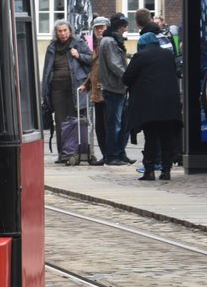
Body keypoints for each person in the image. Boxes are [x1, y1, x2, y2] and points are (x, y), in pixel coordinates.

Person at [123, 31, 182, 181]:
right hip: (169, 103)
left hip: (149, 105)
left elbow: (126, 78)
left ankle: (149, 171)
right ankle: (166, 171)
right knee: (166, 137)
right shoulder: (167, 55)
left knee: (151, 137)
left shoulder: (140, 56)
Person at [41, 19, 92, 162]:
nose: (63, 34)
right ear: (56, 33)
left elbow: (91, 59)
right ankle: (63, 154)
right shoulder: (52, 47)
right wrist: (44, 92)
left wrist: (78, 55)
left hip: (74, 88)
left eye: (65, 30)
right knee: (60, 121)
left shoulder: (78, 43)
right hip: (57, 90)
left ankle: (74, 153)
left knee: (74, 120)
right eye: (60, 31)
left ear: (70, 31)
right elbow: (46, 70)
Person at [98, 13, 131, 165]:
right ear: (119, 26)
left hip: (116, 87)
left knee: (119, 123)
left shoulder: (111, 40)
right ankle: (112, 156)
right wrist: (128, 77)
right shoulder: (110, 41)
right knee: (115, 124)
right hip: (114, 87)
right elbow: (114, 64)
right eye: (124, 26)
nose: (126, 29)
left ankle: (118, 153)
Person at [78, 16, 109, 163]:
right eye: (97, 28)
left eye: (102, 27)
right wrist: (87, 84)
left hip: (107, 90)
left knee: (108, 125)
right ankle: (106, 155)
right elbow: (94, 69)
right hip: (97, 92)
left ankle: (111, 155)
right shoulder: (97, 45)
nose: (100, 30)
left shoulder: (108, 43)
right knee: (100, 127)